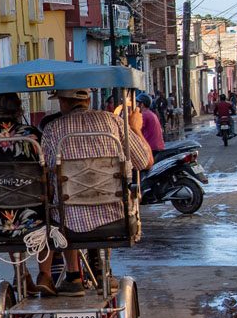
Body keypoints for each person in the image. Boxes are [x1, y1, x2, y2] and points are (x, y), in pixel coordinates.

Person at [40, 89, 153, 296]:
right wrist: (135, 128)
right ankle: (102, 269)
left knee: (62, 204)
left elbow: (45, 173)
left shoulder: (52, 129)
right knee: (103, 198)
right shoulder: (114, 122)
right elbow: (145, 161)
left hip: (68, 222)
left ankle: (73, 276)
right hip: (113, 218)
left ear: (63, 102)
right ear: (88, 100)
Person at [0, 93, 48, 293]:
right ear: (19, 110)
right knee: (49, 214)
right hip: (36, 215)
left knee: (7, 210)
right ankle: (45, 275)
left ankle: (20, 273)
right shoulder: (33, 135)